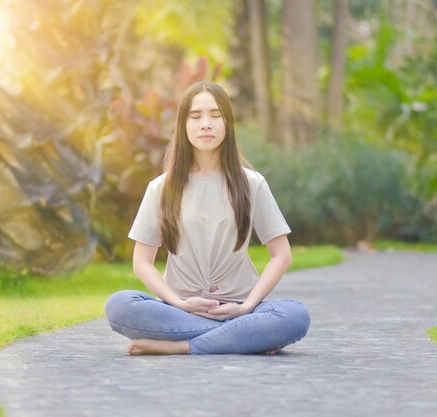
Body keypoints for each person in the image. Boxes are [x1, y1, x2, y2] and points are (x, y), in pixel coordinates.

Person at [105, 81, 310, 355]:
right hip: (179, 310)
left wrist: (247, 307)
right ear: (183, 125)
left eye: (215, 115)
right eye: (196, 116)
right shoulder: (161, 188)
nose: (206, 124)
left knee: (295, 316)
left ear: (228, 124)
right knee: (119, 306)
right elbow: (142, 262)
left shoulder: (252, 184)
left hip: (239, 309)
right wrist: (178, 303)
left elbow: (282, 255)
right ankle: (244, 338)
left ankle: (182, 346)